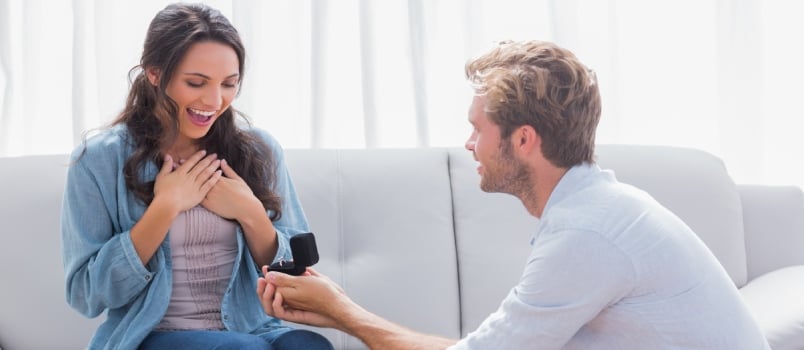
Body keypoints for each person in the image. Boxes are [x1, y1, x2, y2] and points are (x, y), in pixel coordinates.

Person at [256, 40, 771, 349]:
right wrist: (338, 308)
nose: (469, 144)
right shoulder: (598, 210)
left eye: (478, 128)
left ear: (524, 139)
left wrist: (346, 313)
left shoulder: (586, 234)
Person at [60, 3, 333, 350]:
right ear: (155, 73)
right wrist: (165, 208)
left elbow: (297, 276)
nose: (214, 100)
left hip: (255, 328)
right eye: (196, 82)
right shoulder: (99, 160)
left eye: (229, 84)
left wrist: (250, 212)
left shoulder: (260, 151)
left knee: (309, 346)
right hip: (152, 335)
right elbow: (86, 294)